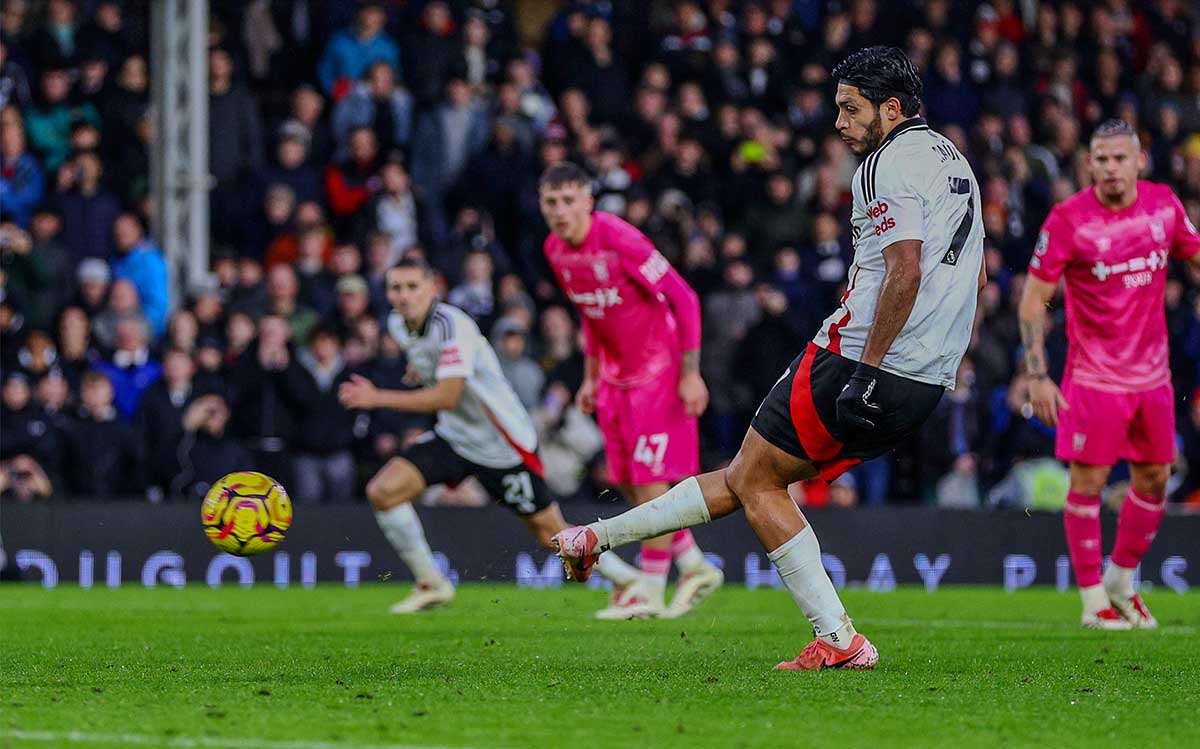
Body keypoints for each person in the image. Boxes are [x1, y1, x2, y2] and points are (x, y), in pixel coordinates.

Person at [551, 47, 985, 669]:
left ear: (891, 109)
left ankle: (839, 639)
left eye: (850, 109)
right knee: (750, 477)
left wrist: (865, 368)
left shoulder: (884, 164)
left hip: (860, 358)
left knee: (753, 479)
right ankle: (593, 539)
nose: (838, 123)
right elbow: (970, 271)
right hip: (928, 377)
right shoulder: (955, 162)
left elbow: (905, 268)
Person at [337, 257, 642, 614]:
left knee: (551, 535)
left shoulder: (453, 326)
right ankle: (431, 583)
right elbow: (436, 373)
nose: (404, 296)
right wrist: (420, 371)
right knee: (383, 491)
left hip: (503, 445)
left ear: (432, 288)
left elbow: (447, 395)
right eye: (396, 288)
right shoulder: (398, 324)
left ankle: (629, 581)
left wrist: (377, 398)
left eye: (412, 287)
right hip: (456, 436)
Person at [1018, 119, 1200, 630]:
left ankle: (1121, 581)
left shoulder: (1164, 205)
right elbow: (1033, 301)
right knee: (1089, 483)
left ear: (1140, 161)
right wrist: (1037, 373)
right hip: (1094, 379)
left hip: (1153, 378)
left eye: (1120, 158)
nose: (1110, 168)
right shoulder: (1068, 219)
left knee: (1156, 479)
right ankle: (1092, 599)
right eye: (1101, 159)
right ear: (1089, 164)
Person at [540, 161, 724, 619]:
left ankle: (649, 588)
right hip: (614, 378)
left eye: (568, 200)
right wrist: (589, 375)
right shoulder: (555, 250)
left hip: (659, 371)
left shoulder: (621, 239)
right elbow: (590, 314)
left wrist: (690, 373)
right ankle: (695, 566)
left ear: (588, 201)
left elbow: (684, 298)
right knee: (625, 480)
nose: (560, 211)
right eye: (551, 202)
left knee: (650, 482)